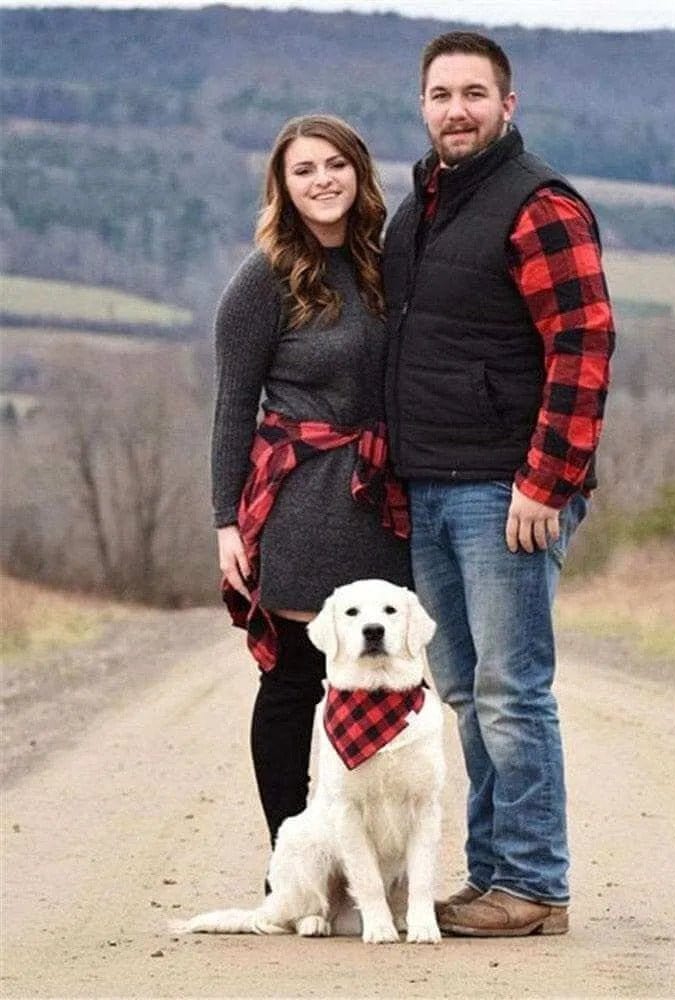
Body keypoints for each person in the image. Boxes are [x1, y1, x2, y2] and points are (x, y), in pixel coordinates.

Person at [382, 31, 615, 936]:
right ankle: (492, 879)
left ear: (507, 105)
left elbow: (585, 344)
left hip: (507, 493)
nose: (457, 110)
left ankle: (537, 887)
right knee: (468, 695)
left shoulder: (538, 205)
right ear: (424, 106)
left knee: (514, 691)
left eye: (475, 94)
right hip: (431, 487)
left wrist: (547, 483)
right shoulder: (421, 209)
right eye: (441, 95)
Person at [211, 114, 411, 853]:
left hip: (385, 502)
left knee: (383, 685)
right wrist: (225, 520)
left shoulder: (385, 264)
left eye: (334, 165)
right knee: (296, 684)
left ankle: (374, 865)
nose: (322, 180)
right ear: (283, 186)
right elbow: (234, 406)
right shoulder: (262, 279)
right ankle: (291, 863)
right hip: (300, 502)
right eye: (303, 170)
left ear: (358, 172)